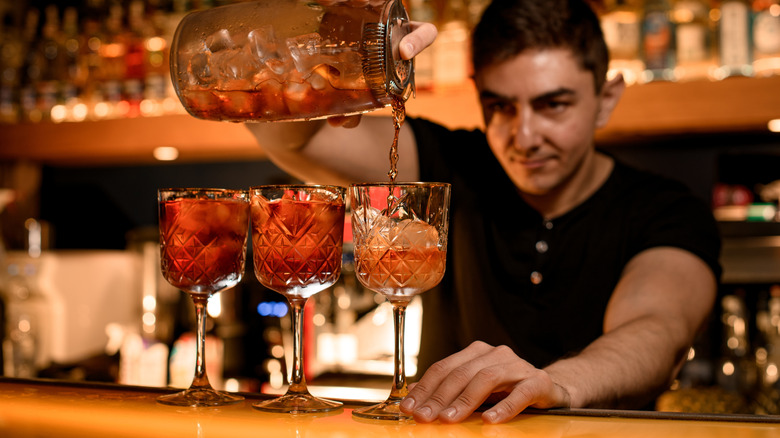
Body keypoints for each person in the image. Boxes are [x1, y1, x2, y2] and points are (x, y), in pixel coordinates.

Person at [246, 0, 721, 425]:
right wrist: (322, 51)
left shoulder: (666, 210)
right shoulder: (455, 166)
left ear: (606, 99)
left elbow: (658, 331)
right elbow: (296, 141)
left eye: (553, 104)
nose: (525, 136)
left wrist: (556, 384)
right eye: (500, 106)